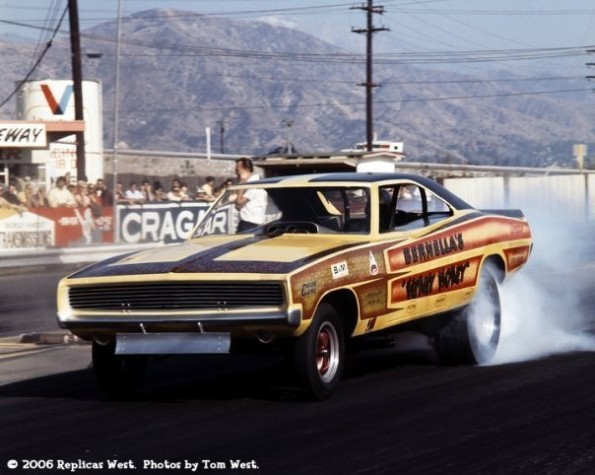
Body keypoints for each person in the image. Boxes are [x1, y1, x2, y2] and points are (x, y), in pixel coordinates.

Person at [234, 157, 267, 232]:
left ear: (245, 169)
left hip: (250, 223)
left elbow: (239, 202)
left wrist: (242, 183)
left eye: (237, 170)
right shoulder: (251, 183)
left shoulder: (254, 183)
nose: (236, 173)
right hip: (249, 222)